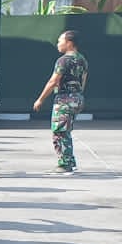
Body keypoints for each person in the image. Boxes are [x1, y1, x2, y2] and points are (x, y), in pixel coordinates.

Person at [33, 29, 88, 174]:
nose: (58, 44)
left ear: (69, 43)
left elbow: (53, 81)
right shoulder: (82, 59)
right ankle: (70, 160)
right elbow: (83, 81)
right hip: (77, 98)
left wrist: (40, 100)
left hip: (64, 99)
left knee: (59, 131)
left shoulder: (63, 60)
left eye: (60, 41)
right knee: (66, 130)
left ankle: (65, 164)